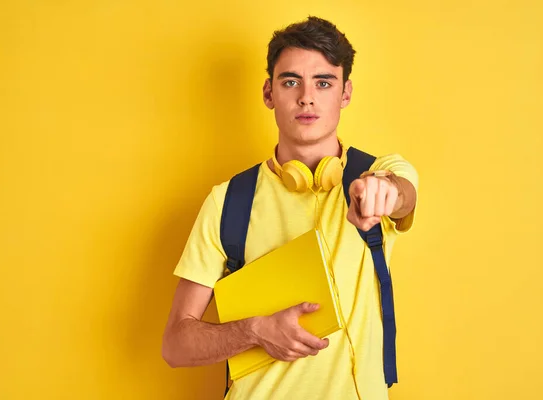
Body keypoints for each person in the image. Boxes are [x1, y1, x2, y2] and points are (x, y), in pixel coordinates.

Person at [162, 16, 419, 400]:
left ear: (345, 93)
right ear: (268, 93)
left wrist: (386, 192)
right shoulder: (228, 201)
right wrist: (253, 331)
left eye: (324, 82)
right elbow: (176, 345)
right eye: (290, 81)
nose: (306, 97)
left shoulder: (379, 174)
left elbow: (403, 194)